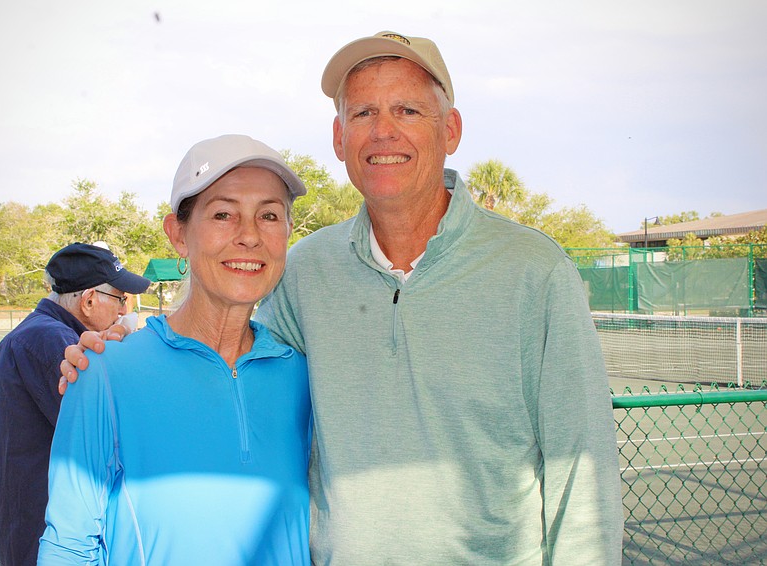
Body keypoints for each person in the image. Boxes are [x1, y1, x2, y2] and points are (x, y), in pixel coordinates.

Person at [63, 32, 624, 564]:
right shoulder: (305, 270)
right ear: (339, 139)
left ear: (450, 130)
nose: (384, 132)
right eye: (363, 113)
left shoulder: (535, 272)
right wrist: (121, 343)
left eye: (407, 110)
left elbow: (583, 479)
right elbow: (225, 343)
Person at [38, 135, 312, 565]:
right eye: (223, 214)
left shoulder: (305, 376)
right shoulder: (103, 373)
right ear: (178, 234)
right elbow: (68, 545)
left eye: (269, 216)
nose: (249, 236)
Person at [0, 242, 150, 566]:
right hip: (49, 535)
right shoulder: (57, 342)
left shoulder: (32, 333)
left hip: (28, 525)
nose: (123, 310)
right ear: (89, 300)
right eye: (120, 298)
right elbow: (115, 431)